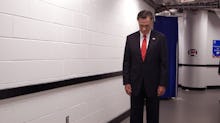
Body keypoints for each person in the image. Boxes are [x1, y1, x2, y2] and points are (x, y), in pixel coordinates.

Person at [123, 10, 168, 123]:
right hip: (135, 83)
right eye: (141, 25)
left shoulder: (160, 38)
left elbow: (164, 63)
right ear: (138, 22)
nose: (143, 29)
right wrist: (126, 82)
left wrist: (162, 84)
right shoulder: (130, 38)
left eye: (146, 26)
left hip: (153, 84)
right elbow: (127, 62)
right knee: (135, 114)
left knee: (153, 114)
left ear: (152, 22)